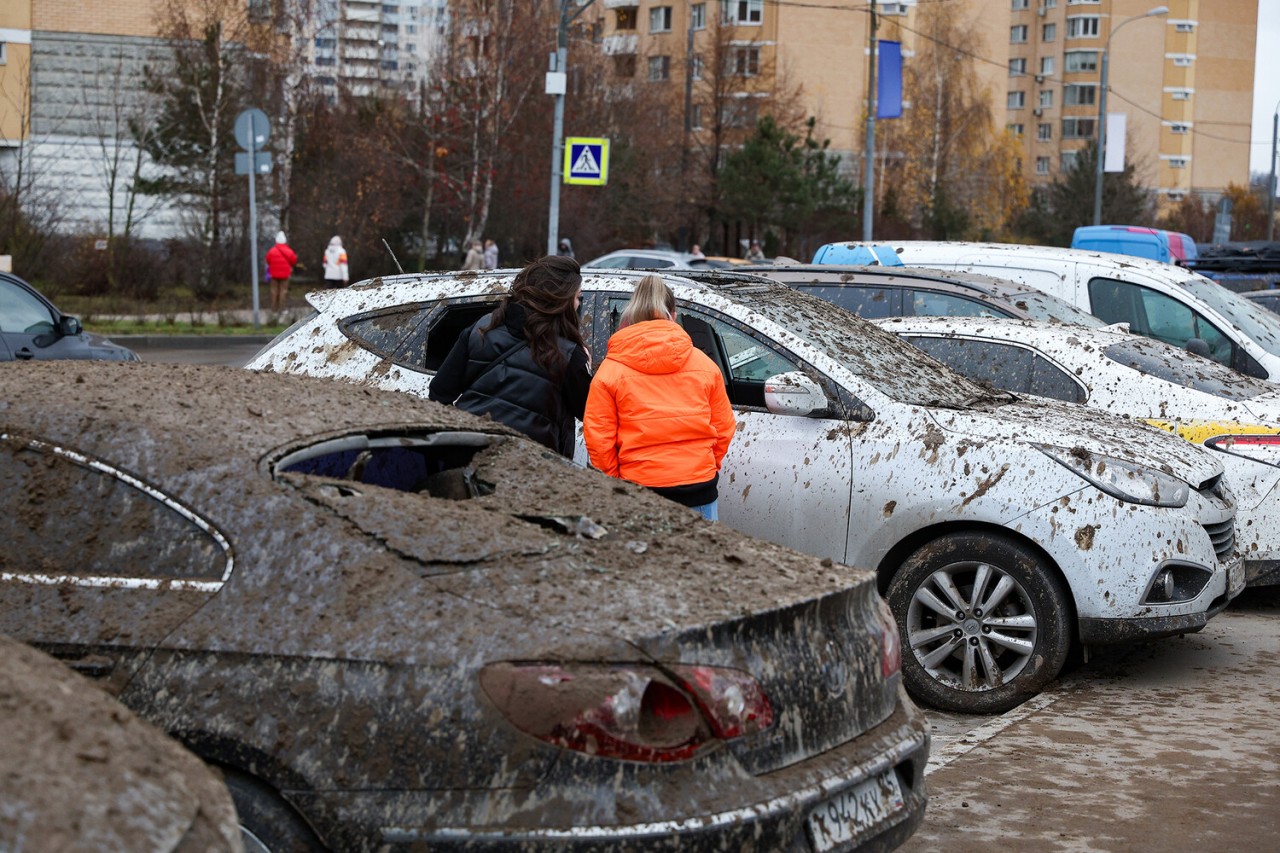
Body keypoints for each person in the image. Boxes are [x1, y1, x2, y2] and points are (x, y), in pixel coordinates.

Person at [583, 274, 735, 521]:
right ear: (673, 315)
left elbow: (599, 440)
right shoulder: (706, 365)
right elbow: (725, 427)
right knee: (702, 559)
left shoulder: (609, 372)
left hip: (639, 488)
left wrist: (618, 480)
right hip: (699, 488)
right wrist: (703, 465)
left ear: (630, 316)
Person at [429, 255, 592, 457]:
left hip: (470, 461)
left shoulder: (482, 328)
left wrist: (461, 438)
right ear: (561, 301)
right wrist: (586, 366)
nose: (578, 304)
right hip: (530, 470)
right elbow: (591, 414)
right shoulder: (569, 355)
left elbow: (438, 393)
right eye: (577, 297)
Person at [265, 231, 298, 313]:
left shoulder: (271, 251)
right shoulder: (289, 251)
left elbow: (268, 260)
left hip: (273, 274)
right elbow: (293, 261)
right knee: (283, 291)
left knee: (274, 290)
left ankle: (273, 309)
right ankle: (281, 309)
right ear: (285, 241)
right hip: (285, 274)